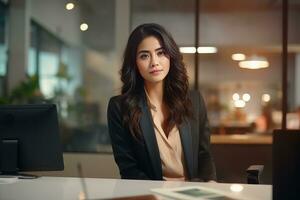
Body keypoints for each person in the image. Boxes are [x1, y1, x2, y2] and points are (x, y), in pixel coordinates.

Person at [107, 23, 216, 181]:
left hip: (191, 193)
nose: (154, 62)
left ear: (170, 56)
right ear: (134, 63)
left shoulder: (194, 101)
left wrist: (210, 186)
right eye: (144, 55)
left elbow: (204, 155)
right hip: (149, 195)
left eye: (161, 53)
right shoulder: (119, 107)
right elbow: (129, 169)